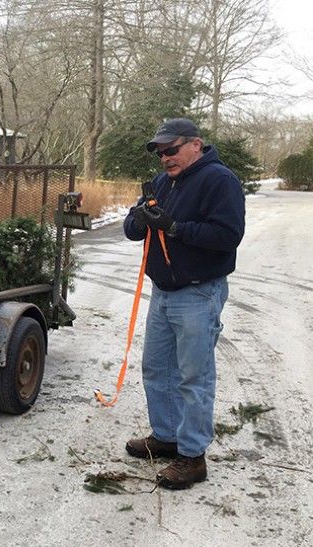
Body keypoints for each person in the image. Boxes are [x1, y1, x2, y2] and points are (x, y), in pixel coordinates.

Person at [122, 118, 246, 489]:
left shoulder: (219, 180)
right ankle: (166, 437)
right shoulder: (162, 183)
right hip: (162, 292)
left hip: (198, 293)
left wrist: (175, 227)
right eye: (160, 152)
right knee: (157, 369)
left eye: (171, 150)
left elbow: (227, 236)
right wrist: (140, 220)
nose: (164, 158)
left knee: (194, 377)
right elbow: (132, 228)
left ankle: (192, 457)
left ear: (196, 144)